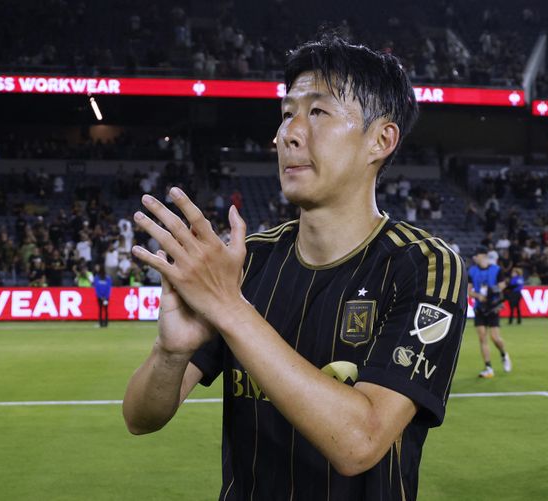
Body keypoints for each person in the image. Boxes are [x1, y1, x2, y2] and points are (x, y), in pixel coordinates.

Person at [123, 32, 467, 501]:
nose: (288, 133)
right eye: (287, 114)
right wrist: (171, 352)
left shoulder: (424, 266)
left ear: (381, 139)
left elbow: (360, 443)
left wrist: (231, 309)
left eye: (318, 112)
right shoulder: (248, 263)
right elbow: (140, 418)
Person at [468, 247, 512, 378]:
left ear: (483, 256)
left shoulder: (496, 269)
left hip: (493, 307)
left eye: (476, 255)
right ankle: (488, 367)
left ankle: (504, 354)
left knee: (495, 337)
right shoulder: (472, 271)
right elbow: (468, 290)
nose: (475, 258)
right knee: (482, 337)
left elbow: (503, 284)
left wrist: (493, 290)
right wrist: (478, 295)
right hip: (480, 307)